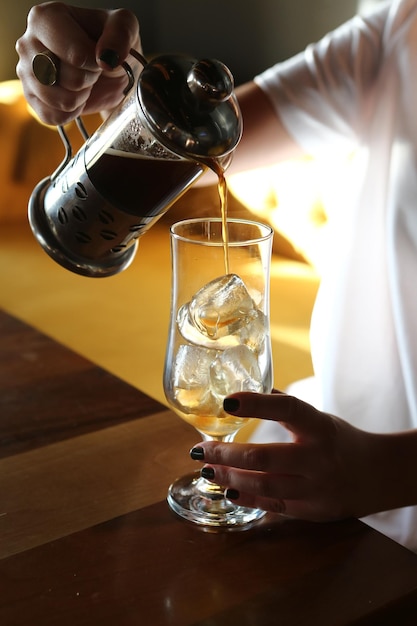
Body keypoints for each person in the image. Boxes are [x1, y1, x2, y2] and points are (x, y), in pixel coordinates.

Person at [16, 0, 417, 551]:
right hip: (299, 467)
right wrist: (123, 100)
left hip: (371, 497)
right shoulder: (397, 30)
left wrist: (388, 470)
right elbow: (206, 151)